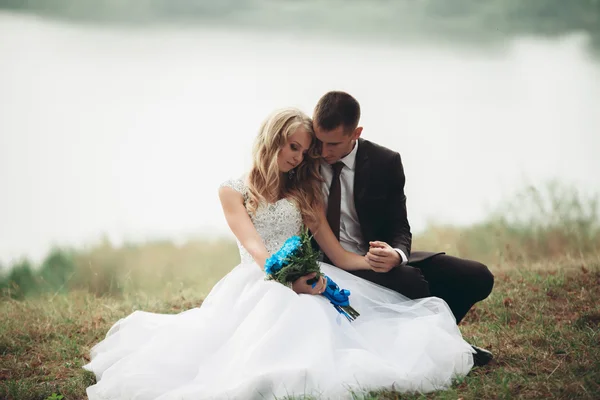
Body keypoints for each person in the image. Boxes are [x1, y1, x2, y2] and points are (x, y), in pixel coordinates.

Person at [83, 107, 475, 400]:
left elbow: (338, 256)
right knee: (264, 331)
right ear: (272, 138)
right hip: (259, 280)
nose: (298, 157)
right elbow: (254, 246)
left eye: (304, 151)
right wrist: (286, 276)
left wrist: (378, 259)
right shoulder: (233, 190)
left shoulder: (305, 191)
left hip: (310, 275)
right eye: (293, 147)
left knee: (331, 321)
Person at [311, 90, 495, 366]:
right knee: (410, 281)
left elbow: (399, 224)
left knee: (477, 276)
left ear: (356, 133)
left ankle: (436, 341)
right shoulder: (305, 161)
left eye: (333, 144)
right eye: (319, 141)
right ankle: (449, 347)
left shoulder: (385, 162)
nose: (323, 152)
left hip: (379, 258)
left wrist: (396, 254)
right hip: (334, 263)